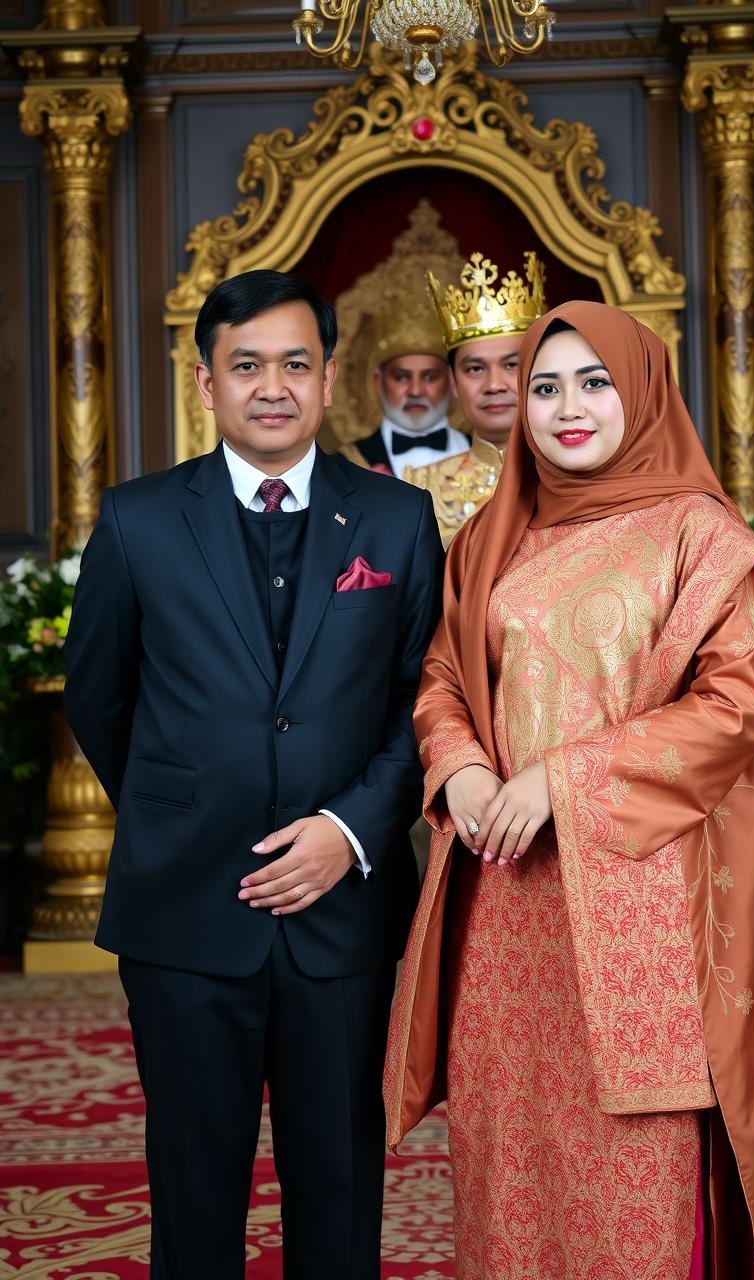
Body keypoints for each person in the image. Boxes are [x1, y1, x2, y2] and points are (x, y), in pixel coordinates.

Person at [384, 300, 754, 1280]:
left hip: (638, 907)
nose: (566, 406)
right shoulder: (496, 532)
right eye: (543, 386)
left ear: (643, 389)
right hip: (505, 902)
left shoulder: (698, 532)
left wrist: (562, 777)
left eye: (592, 381)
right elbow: (443, 675)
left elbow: (737, 705)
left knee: (630, 1172)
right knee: (504, 1159)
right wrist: (466, 767)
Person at [64, 268, 444, 1280]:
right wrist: (189, 805)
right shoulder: (138, 518)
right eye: (245, 366)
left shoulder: (397, 521)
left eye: (293, 364)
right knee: (193, 1190)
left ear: (328, 379)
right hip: (186, 906)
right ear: (206, 383)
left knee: (340, 1183)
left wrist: (349, 831)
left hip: (345, 914)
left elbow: (429, 705)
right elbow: (97, 698)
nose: (270, 387)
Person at [405, 251, 546, 546]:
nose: (494, 384)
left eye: (512, 365)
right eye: (475, 368)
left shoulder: (578, 479)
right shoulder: (419, 489)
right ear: (454, 382)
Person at [342, 300, 469, 477]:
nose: (415, 391)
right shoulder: (345, 465)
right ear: (378, 382)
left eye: (430, 377)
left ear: (451, 380)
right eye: (401, 377)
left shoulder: (486, 455)